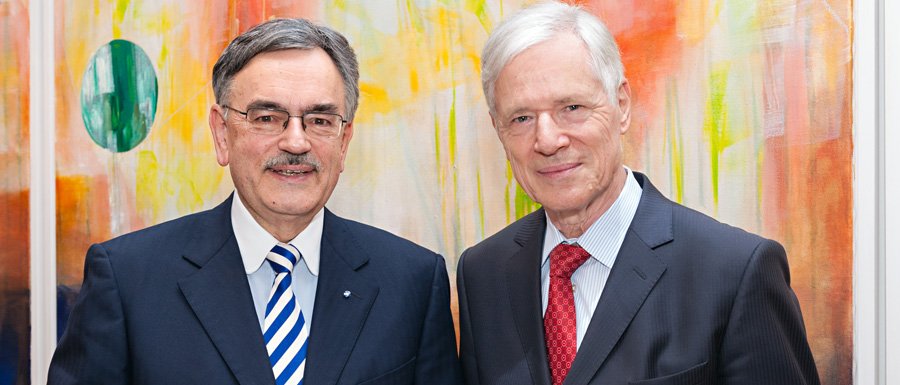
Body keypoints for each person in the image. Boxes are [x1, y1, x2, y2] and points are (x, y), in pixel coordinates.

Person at [49, 18, 461, 385]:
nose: (296, 141)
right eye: (267, 117)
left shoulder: (413, 282)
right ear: (222, 133)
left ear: (344, 140)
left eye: (319, 120)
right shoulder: (126, 280)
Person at [456, 2, 821, 385]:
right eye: (521, 118)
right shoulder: (483, 274)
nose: (547, 140)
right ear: (499, 130)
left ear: (622, 106)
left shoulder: (735, 272)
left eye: (572, 107)